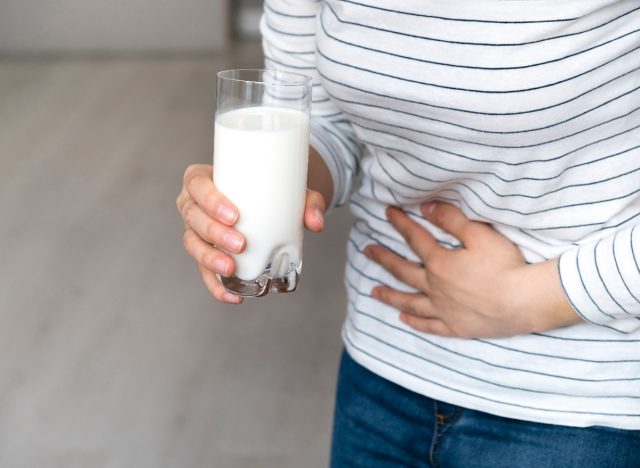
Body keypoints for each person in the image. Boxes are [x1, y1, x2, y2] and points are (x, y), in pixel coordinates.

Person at [176, 1, 640, 466]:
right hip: (385, 366)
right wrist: (257, 196)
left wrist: (532, 298)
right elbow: (320, 118)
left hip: (585, 396)